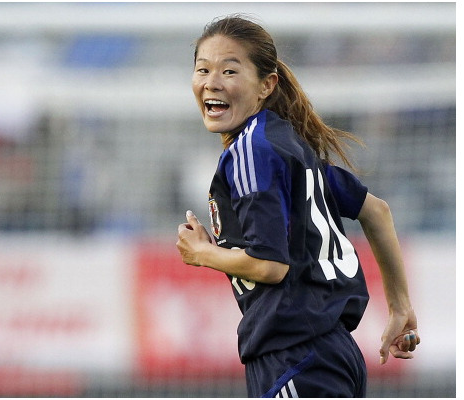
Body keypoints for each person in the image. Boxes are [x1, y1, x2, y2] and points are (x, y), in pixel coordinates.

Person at [176, 15, 420, 397]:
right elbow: (377, 211)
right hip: (330, 351)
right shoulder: (286, 145)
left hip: (294, 356)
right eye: (203, 69)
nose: (212, 82)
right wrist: (400, 306)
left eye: (229, 70)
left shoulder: (252, 151)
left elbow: (271, 267)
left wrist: (203, 253)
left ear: (266, 85)